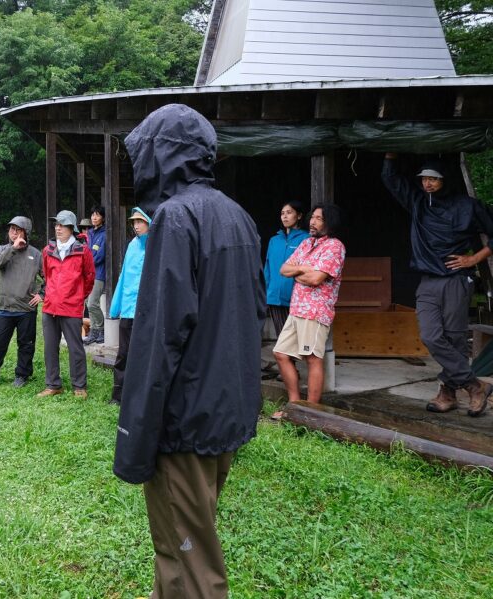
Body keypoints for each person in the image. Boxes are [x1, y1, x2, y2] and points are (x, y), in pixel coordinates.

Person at [113, 104, 266, 598]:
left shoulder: (176, 220)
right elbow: (253, 315)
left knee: (191, 561)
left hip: (184, 420)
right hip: (226, 410)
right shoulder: (237, 215)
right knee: (185, 543)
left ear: (162, 156)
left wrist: (135, 434)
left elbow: (159, 341)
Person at [382, 153, 493, 416]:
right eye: (424, 179)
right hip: (428, 281)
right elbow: (391, 180)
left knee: (455, 338)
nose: (428, 184)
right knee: (431, 336)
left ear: (446, 180)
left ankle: (448, 393)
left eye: (434, 179)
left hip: (456, 280)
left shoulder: (468, 206)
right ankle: (475, 385)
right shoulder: (419, 202)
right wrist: (389, 155)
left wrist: (474, 258)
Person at [273, 205, 346, 414]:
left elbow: (316, 278)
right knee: (280, 353)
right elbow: (283, 269)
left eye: (319, 219)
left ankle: (310, 414)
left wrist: (299, 273)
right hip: (296, 309)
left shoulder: (334, 246)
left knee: (313, 359)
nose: (312, 222)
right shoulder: (306, 243)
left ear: (329, 222)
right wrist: (303, 270)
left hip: (315, 311)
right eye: (312, 217)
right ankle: (294, 407)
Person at [0, 216, 44, 389]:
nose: (13, 233)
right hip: (5, 307)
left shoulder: (36, 254)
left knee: (26, 345)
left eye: (18, 230)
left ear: (26, 233)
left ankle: (22, 375)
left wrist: (42, 294)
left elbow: (49, 277)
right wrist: (13, 248)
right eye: (11, 230)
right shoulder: (2, 249)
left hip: (26, 308)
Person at [39, 210, 95, 398]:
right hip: (50, 307)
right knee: (50, 347)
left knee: (75, 347)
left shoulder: (82, 251)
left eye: (62, 225)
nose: (58, 228)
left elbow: (89, 278)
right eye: (56, 225)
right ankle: (53, 384)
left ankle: (79, 386)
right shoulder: (48, 250)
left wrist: (78, 296)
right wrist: (52, 295)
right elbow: (47, 275)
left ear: (72, 228)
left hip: (71, 307)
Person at [107, 207, 152, 405]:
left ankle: (141, 397)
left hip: (147, 312)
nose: (136, 226)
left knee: (144, 356)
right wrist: (115, 306)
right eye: (134, 222)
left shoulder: (156, 246)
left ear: (149, 223)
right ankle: (118, 395)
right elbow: (124, 275)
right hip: (128, 310)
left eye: (140, 222)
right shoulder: (132, 245)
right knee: (123, 354)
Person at [264, 200, 308, 336]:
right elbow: (268, 269)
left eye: (289, 213)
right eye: (282, 213)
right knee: (281, 339)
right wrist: (265, 293)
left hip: (296, 299)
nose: (285, 216)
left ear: (299, 216)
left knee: (295, 341)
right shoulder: (274, 240)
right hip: (274, 298)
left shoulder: (306, 239)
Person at [83, 206, 106, 345]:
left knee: (92, 303)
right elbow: (87, 253)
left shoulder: (105, 234)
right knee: (88, 303)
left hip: (99, 274)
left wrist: (87, 262)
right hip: (88, 273)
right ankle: (94, 332)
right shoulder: (90, 233)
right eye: (92, 215)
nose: (94, 218)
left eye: (97, 215)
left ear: (102, 217)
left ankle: (101, 329)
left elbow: (100, 256)